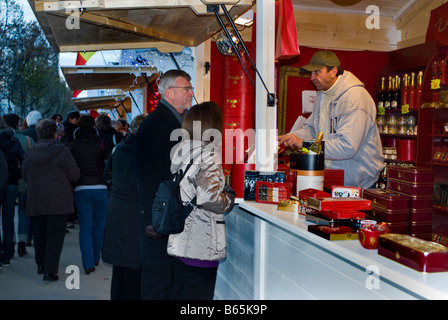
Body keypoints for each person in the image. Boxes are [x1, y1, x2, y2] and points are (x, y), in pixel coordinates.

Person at [278, 50, 384, 189]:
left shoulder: (355, 98)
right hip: (335, 181)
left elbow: (347, 147)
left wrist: (304, 145)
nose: (312, 78)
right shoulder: (322, 95)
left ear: (333, 71)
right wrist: (291, 137)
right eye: (311, 73)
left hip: (360, 185)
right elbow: (312, 129)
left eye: (316, 72)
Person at [134, 69, 195, 300]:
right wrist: (152, 220)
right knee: (158, 284)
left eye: (191, 88)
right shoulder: (156, 125)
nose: (191, 93)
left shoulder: (176, 121)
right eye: (186, 89)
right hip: (159, 221)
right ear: (169, 93)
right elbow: (146, 175)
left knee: (171, 283)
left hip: (170, 219)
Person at [167, 101, 236, 300]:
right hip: (201, 240)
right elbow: (208, 197)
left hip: (181, 237)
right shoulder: (209, 154)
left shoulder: (182, 151)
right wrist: (228, 199)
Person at [21, 119, 80, 281]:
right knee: (55, 235)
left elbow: (24, 174)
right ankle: (50, 269)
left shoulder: (31, 152)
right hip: (58, 199)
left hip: (36, 197)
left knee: (39, 233)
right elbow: (74, 174)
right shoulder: (62, 151)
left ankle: (41, 264)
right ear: (55, 133)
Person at [102, 114, 147, 300]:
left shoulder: (118, 148)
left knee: (120, 266)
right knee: (135, 266)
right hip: (137, 212)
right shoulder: (146, 153)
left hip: (117, 209)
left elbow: (107, 176)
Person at [70, 115, 109, 274]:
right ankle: (95, 257)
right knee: (100, 225)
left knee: (86, 226)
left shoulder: (74, 145)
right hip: (100, 186)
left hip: (81, 187)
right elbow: (109, 160)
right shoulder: (101, 143)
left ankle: (87, 264)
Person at [3, 113, 34, 256]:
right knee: (22, 212)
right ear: (16, 124)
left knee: (6, 219)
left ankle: (8, 247)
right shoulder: (23, 140)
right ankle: (22, 242)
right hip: (18, 181)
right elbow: (26, 159)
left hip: (3, 181)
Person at [0, 117, 24, 267]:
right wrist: (18, 174)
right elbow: (24, 158)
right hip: (12, 182)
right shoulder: (13, 140)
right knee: (8, 221)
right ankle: (7, 254)